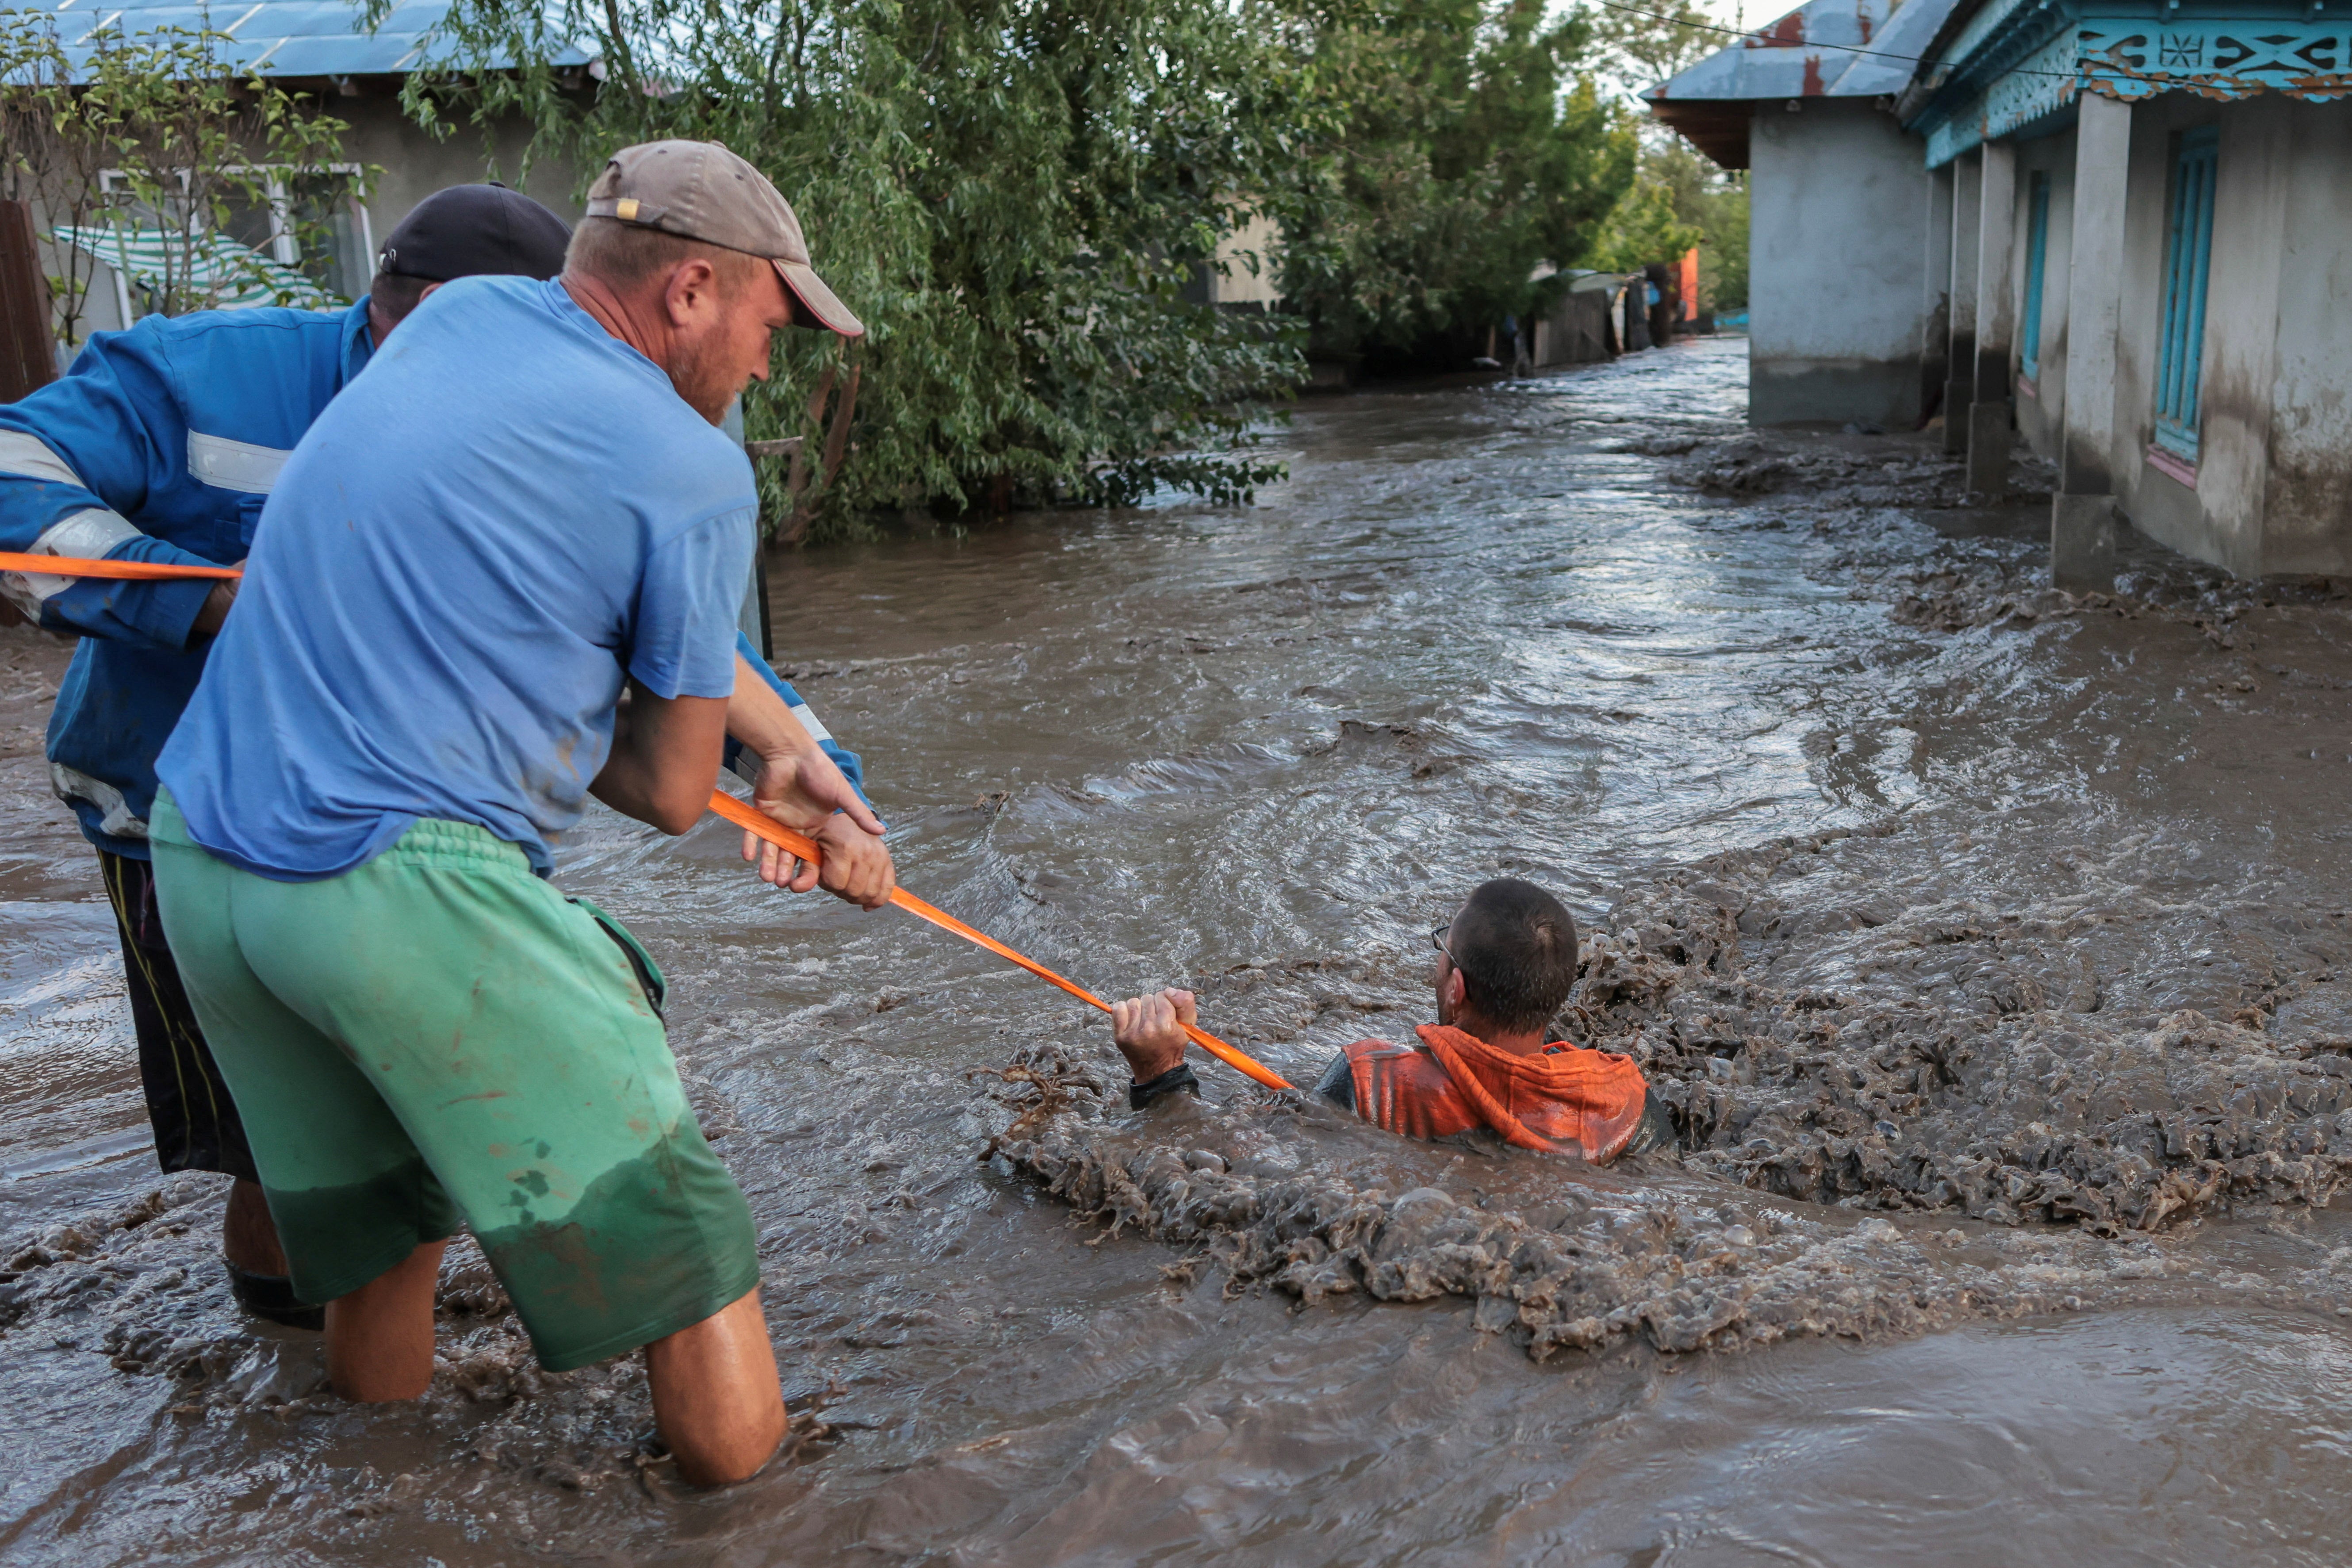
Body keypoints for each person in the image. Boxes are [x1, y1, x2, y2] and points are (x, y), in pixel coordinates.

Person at [145, 138, 889, 1486]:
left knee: (388, 1246)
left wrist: (786, 750)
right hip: (391, 883)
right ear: (688, 290)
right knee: (685, 1252)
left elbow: (475, 553)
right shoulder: (694, 465)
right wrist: (733, 761)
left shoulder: (463, 315)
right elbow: (667, 790)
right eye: (770, 325)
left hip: (204, 861)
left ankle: (392, 1507)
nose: (770, 365)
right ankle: (767, 1515)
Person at [0, 184, 578, 1328]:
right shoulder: (208, 376)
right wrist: (210, 601)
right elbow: (13, 468)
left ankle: (352, 1367)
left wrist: (800, 758)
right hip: (175, 814)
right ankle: (291, 1384)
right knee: (273, 1136)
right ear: (405, 323)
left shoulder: (529, 426)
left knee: (420, 1103)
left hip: (402, 826)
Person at [1107, 878, 1674, 1162]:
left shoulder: (1368, 1083)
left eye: (1442, 949)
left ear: (1455, 988)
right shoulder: (1626, 1101)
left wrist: (1161, 1078)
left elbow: (1233, 1167)